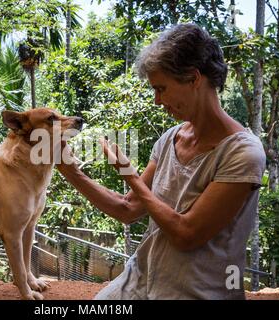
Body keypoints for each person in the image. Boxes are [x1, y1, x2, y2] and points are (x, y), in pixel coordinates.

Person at [56, 23, 266, 300]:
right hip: (141, 281)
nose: (157, 101)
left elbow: (186, 234)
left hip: (197, 292)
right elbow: (128, 208)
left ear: (194, 79)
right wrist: (67, 168)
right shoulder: (170, 139)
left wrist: (129, 174)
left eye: (161, 88)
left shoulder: (243, 154)